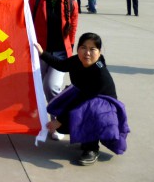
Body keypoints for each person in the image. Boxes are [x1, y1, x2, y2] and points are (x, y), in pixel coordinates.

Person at [34, 33, 129, 166]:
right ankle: (86, 138)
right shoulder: (77, 60)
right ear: (78, 49)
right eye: (83, 47)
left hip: (104, 109)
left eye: (92, 49)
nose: (87, 53)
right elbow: (61, 65)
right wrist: (42, 53)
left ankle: (92, 148)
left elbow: (83, 101)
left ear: (99, 52)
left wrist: (60, 121)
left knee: (89, 110)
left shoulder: (100, 74)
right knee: (68, 109)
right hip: (84, 99)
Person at [29, 0, 79, 140]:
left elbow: (73, 30)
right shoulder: (35, 0)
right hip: (39, 52)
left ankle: (56, 123)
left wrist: (69, 50)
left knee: (51, 87)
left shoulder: (71, 4)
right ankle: (34, 120)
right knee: (34, 88)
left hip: (60, 55)